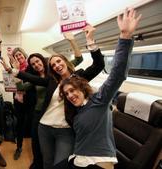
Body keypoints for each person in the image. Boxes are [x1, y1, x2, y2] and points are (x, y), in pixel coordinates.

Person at [10, 25, 105, 169]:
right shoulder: (51, 80)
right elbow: (31, 78)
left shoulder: (78, 77)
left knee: (61, 164)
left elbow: (98, 65)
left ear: (65, 62)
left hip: (65, 130)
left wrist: (90, 41)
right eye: (53, 65)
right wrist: (13, 70)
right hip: (45, 126)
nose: (57, 65)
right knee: (47, 163)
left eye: (59, 61)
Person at [57, 8, 141, 169]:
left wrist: (125, 36)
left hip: (98, 161)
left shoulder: (99, 99)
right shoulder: (76, 111)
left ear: (82, 87)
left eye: (73, 90)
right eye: (66, 93)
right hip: (78, 157)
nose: (70, 95)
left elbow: (117, 74)